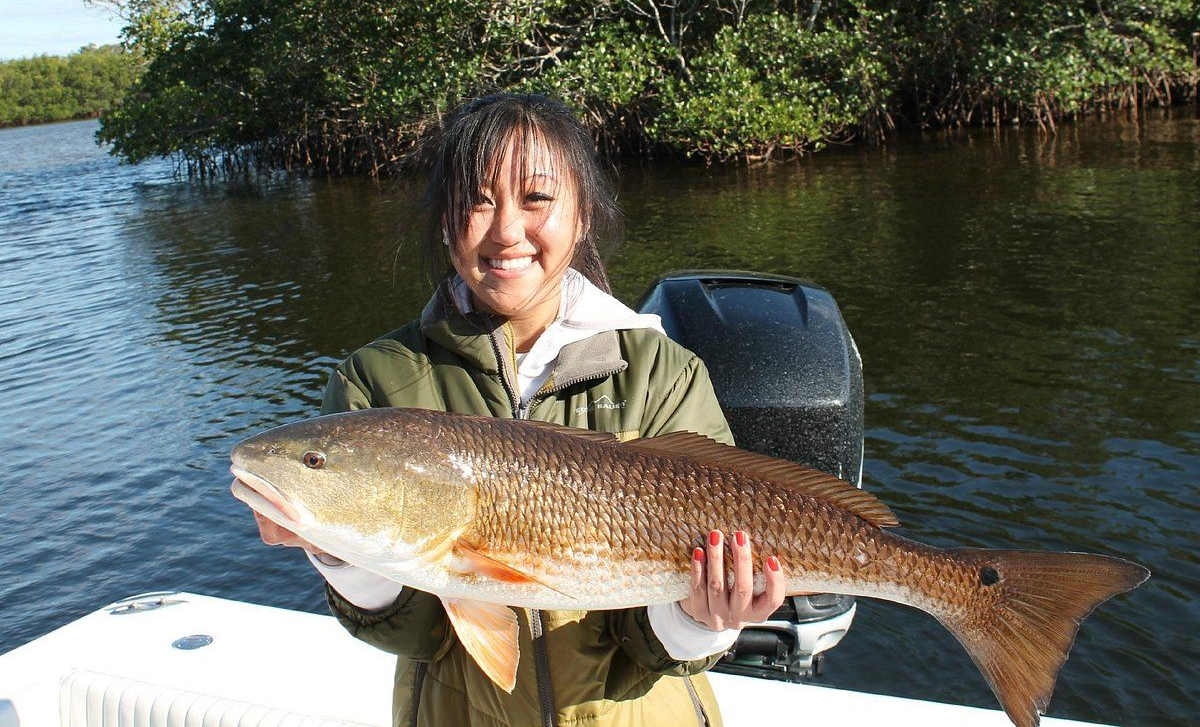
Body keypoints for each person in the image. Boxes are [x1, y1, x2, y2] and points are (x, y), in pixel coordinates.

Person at [250, 92, 787, 726]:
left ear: (581, 212)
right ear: (446, 220)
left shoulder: (663, 373)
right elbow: (412, 636)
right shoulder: (376, 381)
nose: (506, 230)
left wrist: (702, 620)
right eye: (475, 201)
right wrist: (336, 551)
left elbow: (654, 651)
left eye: (536, 199)